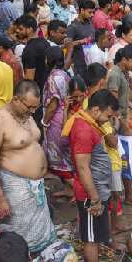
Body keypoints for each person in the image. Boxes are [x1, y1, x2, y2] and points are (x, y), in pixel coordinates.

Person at [0, 81, 56, 255]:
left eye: (35, 108)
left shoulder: (27, 115)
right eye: (29, 107)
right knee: (18, 235)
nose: (32, 112)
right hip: (15, 186)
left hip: (35, 186)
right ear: (16, 99)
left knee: (38, 234)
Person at [67, 89, 120, 262]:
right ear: (96, 109)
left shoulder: (90, 124)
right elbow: (82, 167)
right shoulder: (82, 129)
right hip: (91, 193)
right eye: (108, 115)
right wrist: (95, 198)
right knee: (90, 238)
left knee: (96, 235)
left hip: (98, 190)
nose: (108, 120)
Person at [42, 47, 80, 198]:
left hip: (56, 119)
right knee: (65, 155)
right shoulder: (65, 74)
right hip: (64, 116)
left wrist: (45, 122)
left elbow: (53, 104)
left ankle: (77, 189)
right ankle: (70, 189)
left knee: (57, 157)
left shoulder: (53, 77)